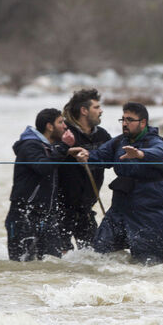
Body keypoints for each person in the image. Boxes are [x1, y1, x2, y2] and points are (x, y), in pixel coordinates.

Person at [71, 102, 163, 264]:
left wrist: (139, 154)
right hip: (120, 208)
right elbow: (100, 156)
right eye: (123, 119)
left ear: (143, 123)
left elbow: (160, 154)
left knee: (151, 264)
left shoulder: (155, 142)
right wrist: (86, 155)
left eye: (129, 120)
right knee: (99, 254)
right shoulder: (119, 142)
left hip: (149, 211)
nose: (124, 124)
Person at [6, 108, 73, 261]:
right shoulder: (30, 145)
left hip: (47, 216)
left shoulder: (51, 147)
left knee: (53, 264)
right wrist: (64, 147)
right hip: (24, 215)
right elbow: (43, 167)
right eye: (60, 122)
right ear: (50, 126)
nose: (65, 126)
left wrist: (69, 151)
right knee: (22, 266)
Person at [59, 88, 111, 249]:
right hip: (60, 209)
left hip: (86, 208)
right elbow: (47, 155)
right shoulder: (63, 132)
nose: (101, 111)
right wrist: (66, 149)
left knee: (93, 256)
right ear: (84, 110)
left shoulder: (102, 135)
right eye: (96, 107)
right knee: (58, 260)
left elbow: (112, 160)